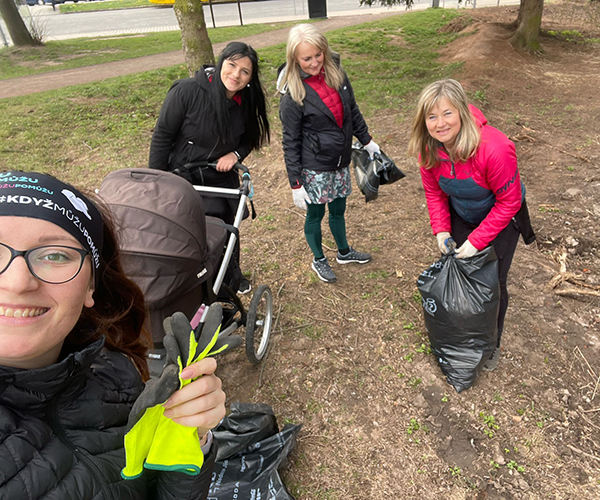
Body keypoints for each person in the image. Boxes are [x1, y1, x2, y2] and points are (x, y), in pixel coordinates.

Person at [0, 171, 226, 499]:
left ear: (90, 285)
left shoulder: (115, 372)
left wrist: (187, 437)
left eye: (55, 255)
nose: (18, 282)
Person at [408, 79, 536, 372]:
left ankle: (491, 342)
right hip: (462, 212)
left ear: (462, 112)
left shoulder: (494, 147)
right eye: (432, 116)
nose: (440, 123)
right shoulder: (429, 149)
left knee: (493, 280)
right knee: (462, 271)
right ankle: (463, 332)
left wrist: (477, 241)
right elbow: (435, 193)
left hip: (503, 215)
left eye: (447, 113)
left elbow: (509, 202)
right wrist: (441, 229)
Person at [149, 41, 270, 296]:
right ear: (221, 61)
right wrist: (158, 182)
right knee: (186, 230)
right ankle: (191, 280)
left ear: (250, 78)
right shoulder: (187, 91)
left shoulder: (246, 102)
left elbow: (250, 139)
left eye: (244, 71)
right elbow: (162, 137)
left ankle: (230, 276)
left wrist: (235, 154)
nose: (235, 75)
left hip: (221, 178)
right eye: (232, 65)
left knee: (226, 229)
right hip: (183, 175)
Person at [278, 24, 379, 284]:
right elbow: (290, 141)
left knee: (338, 208)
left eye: (318, 55)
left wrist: (366, 140)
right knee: (316, 214)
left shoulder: (337, 74)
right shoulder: (293, 94)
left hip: (339, 159)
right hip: (314, 166)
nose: (314, 63)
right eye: (306, 58)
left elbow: (352, 111)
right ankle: (319, 258)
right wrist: (295, 183)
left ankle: (344, 252)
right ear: (295, 59)